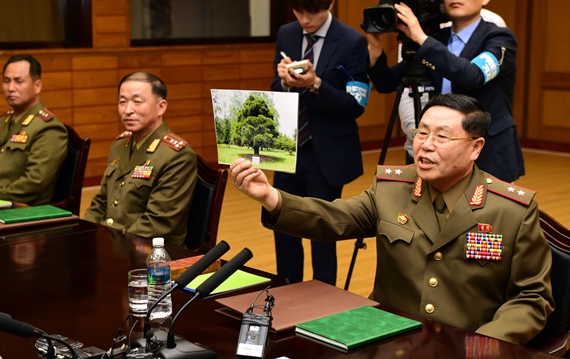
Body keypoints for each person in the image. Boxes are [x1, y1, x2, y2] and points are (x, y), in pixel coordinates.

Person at [230, 94, 554, 345]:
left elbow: (531, 298)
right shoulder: (392, 188)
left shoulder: (511, 210)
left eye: (442, 137)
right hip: (388, 340)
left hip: (462, 345)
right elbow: (335, 218)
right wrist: (270, 196)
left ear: (475, 147)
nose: (424, 146)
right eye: (421, 133)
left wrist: (481, 346)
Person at [368, 0, 524, 182]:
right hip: (443, 152)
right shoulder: (437, 40)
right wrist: (375, 46)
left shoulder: (500, 38)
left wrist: (421, 38)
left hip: (488, 153)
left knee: (484, 216)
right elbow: (386, 83)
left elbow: (473, 75)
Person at [270, 0, 370, 285]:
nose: (305, 20)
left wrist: (316, 84)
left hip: (326, 153)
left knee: (322, 233)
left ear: (331, 3)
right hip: (288, 148)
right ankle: (286, 294)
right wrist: (284, 82)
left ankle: (323, 302)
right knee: (284, 227)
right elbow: (275, 88)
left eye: (312, 12)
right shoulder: (287, 32)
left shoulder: (352, 42)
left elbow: (356, 105)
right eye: (299, 12)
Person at [84, 72, 197, 245]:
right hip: (113, 241)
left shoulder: (177, 155)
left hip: (148, 252)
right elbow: (101, 202)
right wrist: (86, 234)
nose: (128, 110)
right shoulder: (120, 145)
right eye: (123, 102)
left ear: (161, 107)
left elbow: (157, 223)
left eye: (137, 102)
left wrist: (108, 244)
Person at [0, 55, 68, 205]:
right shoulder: (2, 122)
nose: (11, 88)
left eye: (19, 81)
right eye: (6, 81)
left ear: (37, 86)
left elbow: (33, 183)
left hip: (17, 209)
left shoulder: (48, 128)